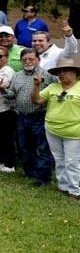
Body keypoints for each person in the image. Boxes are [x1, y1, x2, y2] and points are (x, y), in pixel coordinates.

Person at [32, 54, 80, 198]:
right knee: (59, 159)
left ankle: (75, 190)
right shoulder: (53, 87)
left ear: (75, 72)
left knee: (72, 162)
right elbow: (37, 100)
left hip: (74, 131)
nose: (61, 73)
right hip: (52, 129)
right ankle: (63, 186)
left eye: (65, 70)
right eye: (59, 71)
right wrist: (36, 86)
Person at [7, 49, 56, 186]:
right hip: (22, 117)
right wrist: (2, 89)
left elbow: (58, 89)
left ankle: (43, 177)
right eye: (25, 60)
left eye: (31, 59)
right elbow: (11, 94)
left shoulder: (47, 75)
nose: (28, 62)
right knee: (24, 146)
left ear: (38, 60)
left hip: (39, 116)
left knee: (41, 147)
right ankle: (30, 172)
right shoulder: (17, 76)